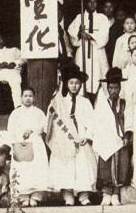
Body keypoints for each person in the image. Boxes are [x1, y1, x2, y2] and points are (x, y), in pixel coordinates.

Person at [46, 64, 97, 206]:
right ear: (67, 84)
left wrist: (86, 135)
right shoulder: (59, 102)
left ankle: (83, 195)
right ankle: (68, 195)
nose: (74, 86)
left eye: (77, 83)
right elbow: (53, 120)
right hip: (64, 139)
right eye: (71, 83)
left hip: (80, 137)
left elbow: (91, 121)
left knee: (82, 167)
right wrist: (63, 137)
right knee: (65, 167)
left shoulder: (85, 102)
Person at [92, 68, 132, 206]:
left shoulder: (125, 103)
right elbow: (97, 121)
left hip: (120, 140)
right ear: (107, 89)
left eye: (116, 87)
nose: (113, 90)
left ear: (120, 88)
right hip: (106, 138)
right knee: (105, 165)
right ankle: (106, 193)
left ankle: (116, 193)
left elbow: (129, 119)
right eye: (110, 88)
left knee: (121, 165)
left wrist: (127, 134)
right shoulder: (102, 104)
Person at [7, 88, 48, 207]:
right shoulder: (16, 113)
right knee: (22, 169)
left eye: (30, 96)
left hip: (36, 144)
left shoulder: (38, 112)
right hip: (21, 144)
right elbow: (11, 130)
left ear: (34, 98)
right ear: (21, 97)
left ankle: (35, 196)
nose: (28, 98)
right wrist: (14, 143)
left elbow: (44, 126)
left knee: (37, 169)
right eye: (25, 96)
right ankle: (23, 197)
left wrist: (33, 130)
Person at [68, 0, 110, 96]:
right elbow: (71, 30)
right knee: (82, 73)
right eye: (90, 2)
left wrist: (90, 36)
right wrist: (78, 33)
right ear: (86, 3)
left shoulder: (102, 18)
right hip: (83, 50)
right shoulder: (79, 17)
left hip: (97, 50)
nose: (92, 4)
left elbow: (104, 34)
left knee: (98, 74)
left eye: (94, 2)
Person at [58, 2, 73, 67]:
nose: (60, 14)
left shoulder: (62, 31)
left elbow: (67, 48)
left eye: (61, 12)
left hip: (63, 64)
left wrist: (69, 58)